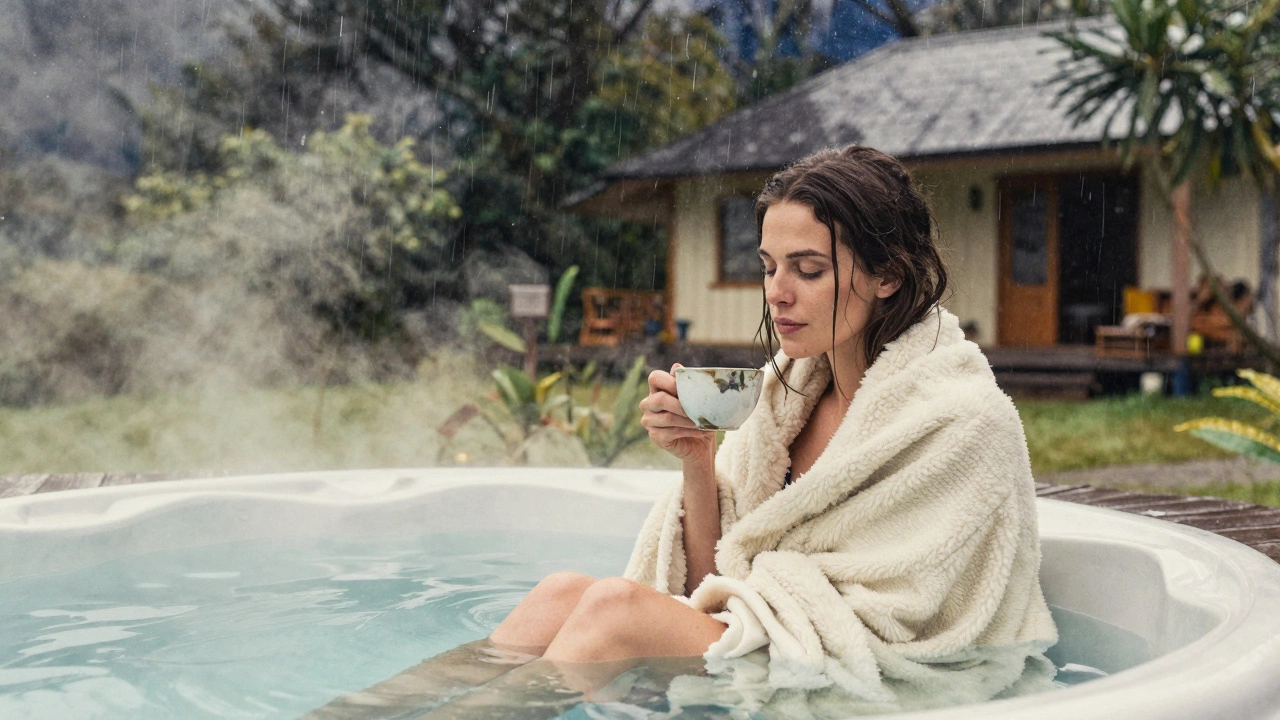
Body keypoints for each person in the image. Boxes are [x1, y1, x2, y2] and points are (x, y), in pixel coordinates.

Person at [308, 145, 1057, 718]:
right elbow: (713, 582)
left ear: (888, 274)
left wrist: (744, 606)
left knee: (612, 608)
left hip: (857, 662)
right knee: (561, 591)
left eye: (808, 269)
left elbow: (920, 620)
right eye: (768, 266)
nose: (779, 293)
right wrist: (698, 462)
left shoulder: (958, 420)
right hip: (774, 632)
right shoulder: (785, 393)